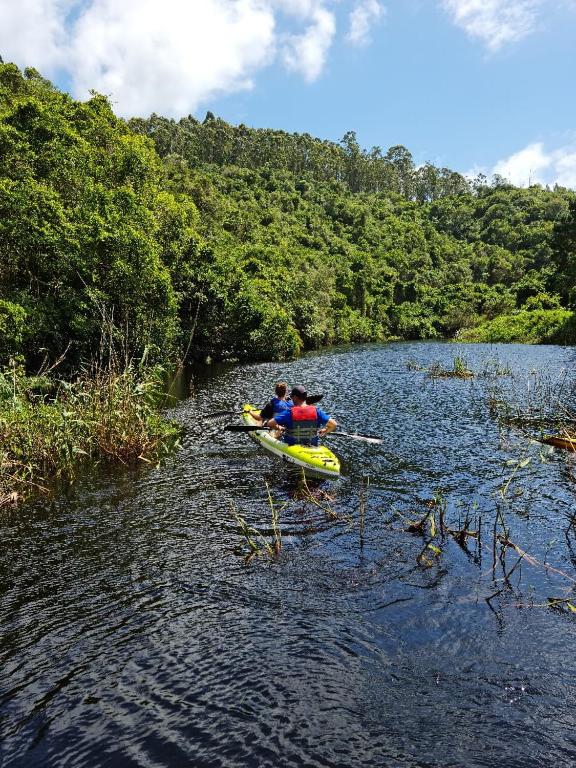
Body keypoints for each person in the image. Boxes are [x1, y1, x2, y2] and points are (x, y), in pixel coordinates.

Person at [265, 385, 336, 446]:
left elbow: (270, 423)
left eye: (291, 397)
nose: (291, 399)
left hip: (292, 447)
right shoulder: (316, 411)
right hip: (312, 445)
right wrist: (325, 430)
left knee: (271, 434)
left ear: (295, 397)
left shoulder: (289, 413)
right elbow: (333, 424)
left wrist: (280, 428)